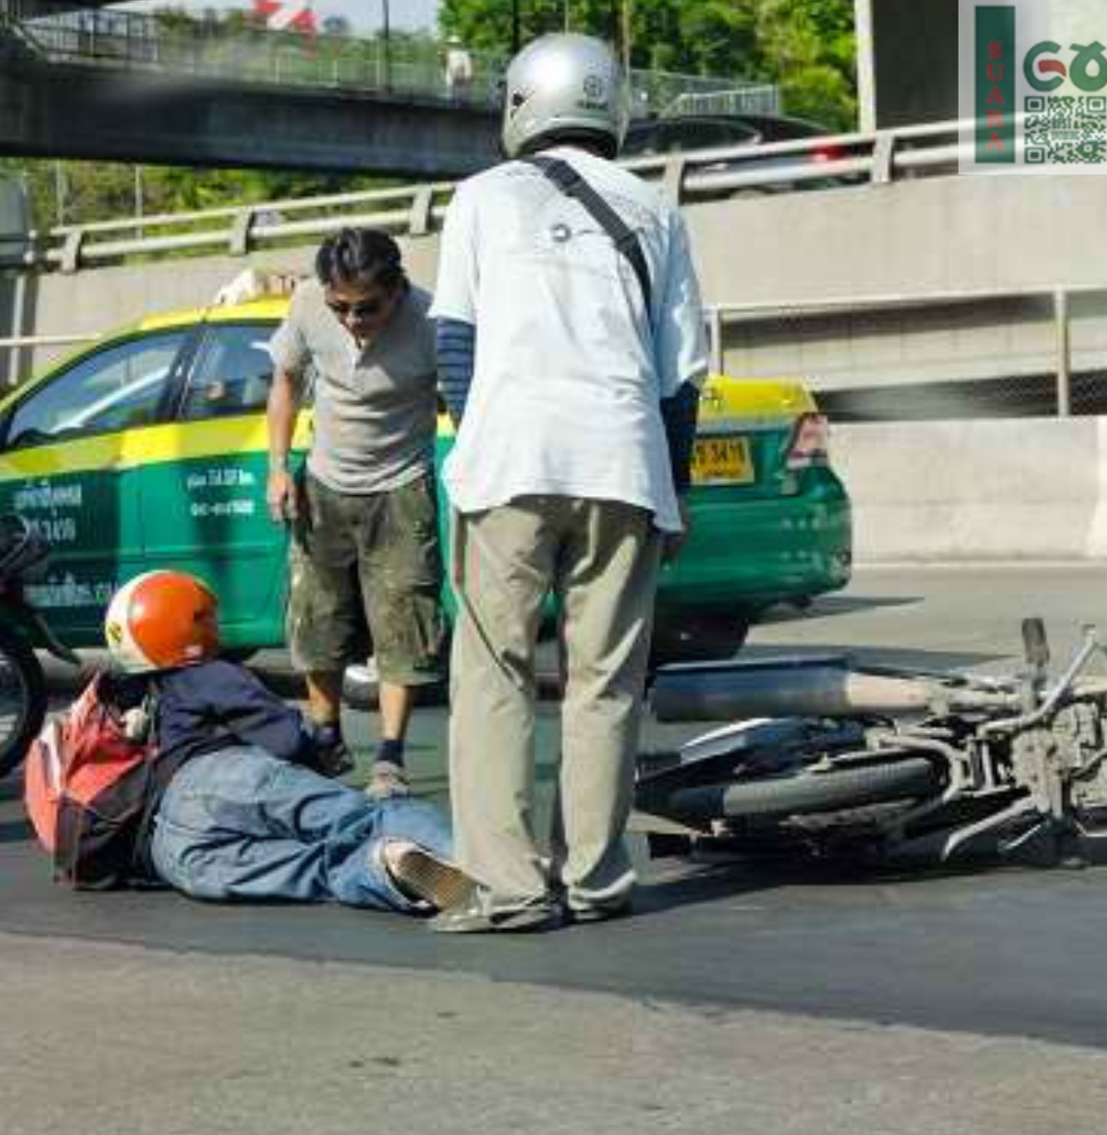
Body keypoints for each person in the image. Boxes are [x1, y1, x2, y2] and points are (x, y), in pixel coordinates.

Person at [429, 33, 710, 932]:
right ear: (610, 107)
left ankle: (508, 886)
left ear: (520, 103)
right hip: (624, 461)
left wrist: (480, 438)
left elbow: (455, 346)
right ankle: (592, 878)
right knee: (605, 682)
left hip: (510, 461)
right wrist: (676, 488)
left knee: (495, 675)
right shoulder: (659, 211)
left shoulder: (478, 199)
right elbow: (681, 377)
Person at [104, 570, 474, 915]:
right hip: (218, 779)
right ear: (186, 627)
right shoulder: (208, 675)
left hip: (173, 850)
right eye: (205, 617)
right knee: (368, 816)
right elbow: (285, 741)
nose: (214, 624)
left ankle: (387, 865)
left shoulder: (128, 696)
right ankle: (483, 867)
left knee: (318, 869)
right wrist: (318, 758)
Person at [264, 228, 445, 801]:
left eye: (367, 308)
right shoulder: (308, 307)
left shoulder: (433, 320)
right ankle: (326, 734)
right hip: (324, 484)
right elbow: (286, 380)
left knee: (403, 622)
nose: (352, 320)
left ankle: (390, 756)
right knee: (316, 622)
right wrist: (277, 466)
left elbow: (467, 400)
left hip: (401, 487)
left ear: (397, 289)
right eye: (340, 307)